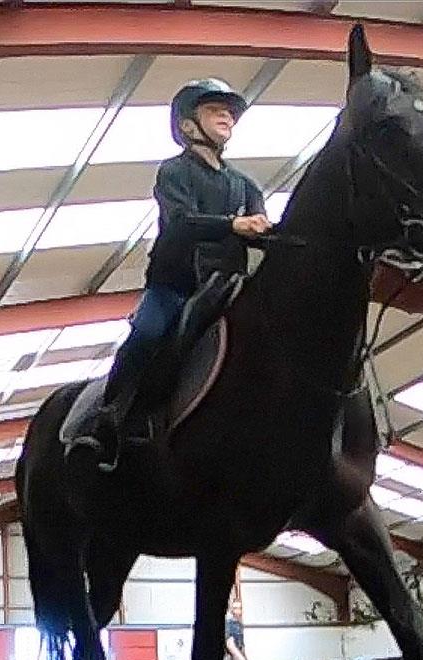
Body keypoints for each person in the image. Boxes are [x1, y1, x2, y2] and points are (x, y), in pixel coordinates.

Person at [70, 77, 272, 469]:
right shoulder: (173, 173)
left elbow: (262, 232)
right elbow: (180, 222)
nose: (227, 116)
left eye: (230, 111)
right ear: (187, 125)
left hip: (226, 289)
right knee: (146, 333)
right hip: (174, 289)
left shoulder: (245, 185)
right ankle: (107, 420)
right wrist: (233, 226)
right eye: (216, 110)